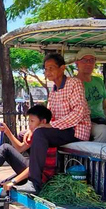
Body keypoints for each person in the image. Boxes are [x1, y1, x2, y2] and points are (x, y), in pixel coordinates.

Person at [17, 53, 91, 194]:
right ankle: (39, 171)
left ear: (62, 68)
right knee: (24, 135)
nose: (48, 72)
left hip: (76, 130)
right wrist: (30, 130)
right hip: (61, 130)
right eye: (45, 69)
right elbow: (49, 115)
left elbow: (78, 113)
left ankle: (35, 182)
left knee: (40, 134)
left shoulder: (74, 83)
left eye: (51, 68)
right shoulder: (53, 90)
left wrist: (50, 126)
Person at [0, 104, 53, 189]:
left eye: (32, 121)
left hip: (38, 176)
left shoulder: (43, 138)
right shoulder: (36, 134)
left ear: (43, 122)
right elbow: (20, 148)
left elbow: (34, 167)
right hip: (31, 170)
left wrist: (13, 181)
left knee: (5, 148)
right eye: (28, 121)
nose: (29, 124)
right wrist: (7, 131)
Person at [75, 52, 106, 143]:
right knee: (103, 131)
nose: (89, 63)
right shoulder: (72, 83)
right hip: (83, 122)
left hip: (101, 120)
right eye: (85, 60)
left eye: (92, 60)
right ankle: (97, 156)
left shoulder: (98, 81)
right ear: (77, 63)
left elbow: (105, 105)